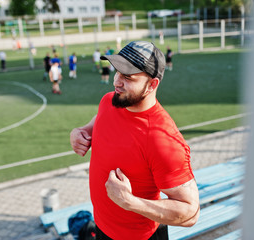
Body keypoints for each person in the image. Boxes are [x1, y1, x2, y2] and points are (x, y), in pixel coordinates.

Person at [70, 41, 199, 240]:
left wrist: (129, 202)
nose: (116, 82)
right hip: (102, 227)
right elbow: (101, 120)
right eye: (117, 72)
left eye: (128, 77)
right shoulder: (110, 100)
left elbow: (190, 213)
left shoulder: (162, 139)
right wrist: (80, 132)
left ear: (152, 85)